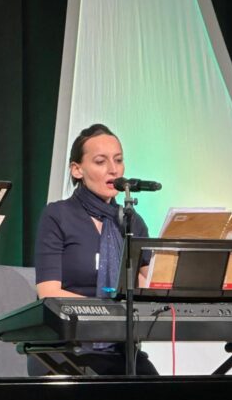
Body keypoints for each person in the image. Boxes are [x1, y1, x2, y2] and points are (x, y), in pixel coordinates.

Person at [34, 123, 157, 375]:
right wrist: (107, 310)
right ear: (77, 170)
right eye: (100, 161)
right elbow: (48, 292)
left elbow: (148, 285)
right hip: (68, 347)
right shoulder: (57, 215)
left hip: (121, 349)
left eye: (118, 160)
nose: (113, 169)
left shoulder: (132, 221)